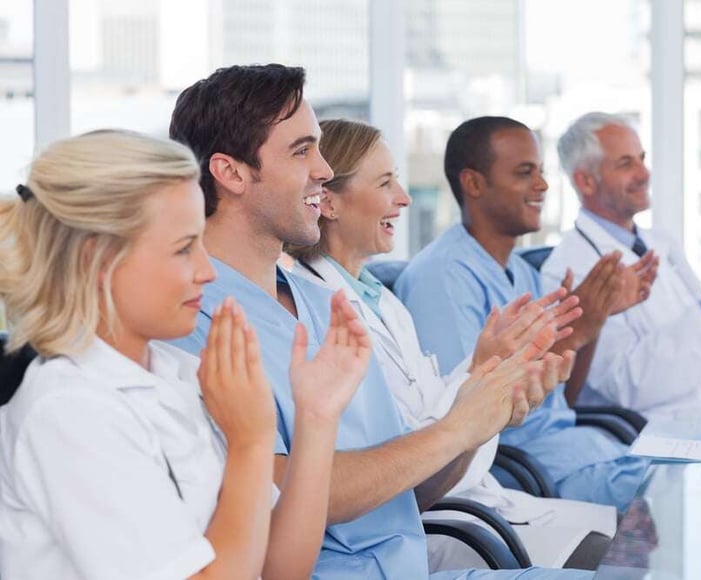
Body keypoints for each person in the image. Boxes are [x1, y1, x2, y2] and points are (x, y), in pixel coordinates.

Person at [169, 64, 588, 579]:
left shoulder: (328, 305)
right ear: (231, 172)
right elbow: (280, 496)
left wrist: (481, 418)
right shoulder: (192, 321)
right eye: (302, 151)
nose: (323, 170)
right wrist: (456, 426)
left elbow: (406, 491)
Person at [0, 129, 366, 580]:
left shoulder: (182, 374)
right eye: (183, 249)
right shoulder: (68, 410)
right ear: (96, 261)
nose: (206, 271)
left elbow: (280, 569)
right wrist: (252, 443)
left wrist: (316, 418)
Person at [287, 118, 619, 570]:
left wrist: (489, 372)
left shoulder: (380, 299)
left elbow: (433, 423)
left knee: (635, 542)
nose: (404, 198)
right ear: (327, 201)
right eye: (386, 183)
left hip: (473, 503)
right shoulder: (316, 312)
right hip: (433, 523)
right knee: (622, 552)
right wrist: (484, 376)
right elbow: (408, 453)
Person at [395, 116, 652, 509]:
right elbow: (463, 410)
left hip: (585, 450)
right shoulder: (443, 278)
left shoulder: (523, 272)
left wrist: (592, 324)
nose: (544, 186)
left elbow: (563, 395)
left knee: (694, 482)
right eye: (524, 173)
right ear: (474, 183)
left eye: (542, 172)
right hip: (528, 470)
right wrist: (576, 330)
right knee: (680, 504)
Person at [542, 112, 701, 417]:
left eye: (642, 159)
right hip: (662, 435)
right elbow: (626, 385)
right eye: (626, 164)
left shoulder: (660, 244)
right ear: (585, 181)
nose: (644, 173)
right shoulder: (568, 269)